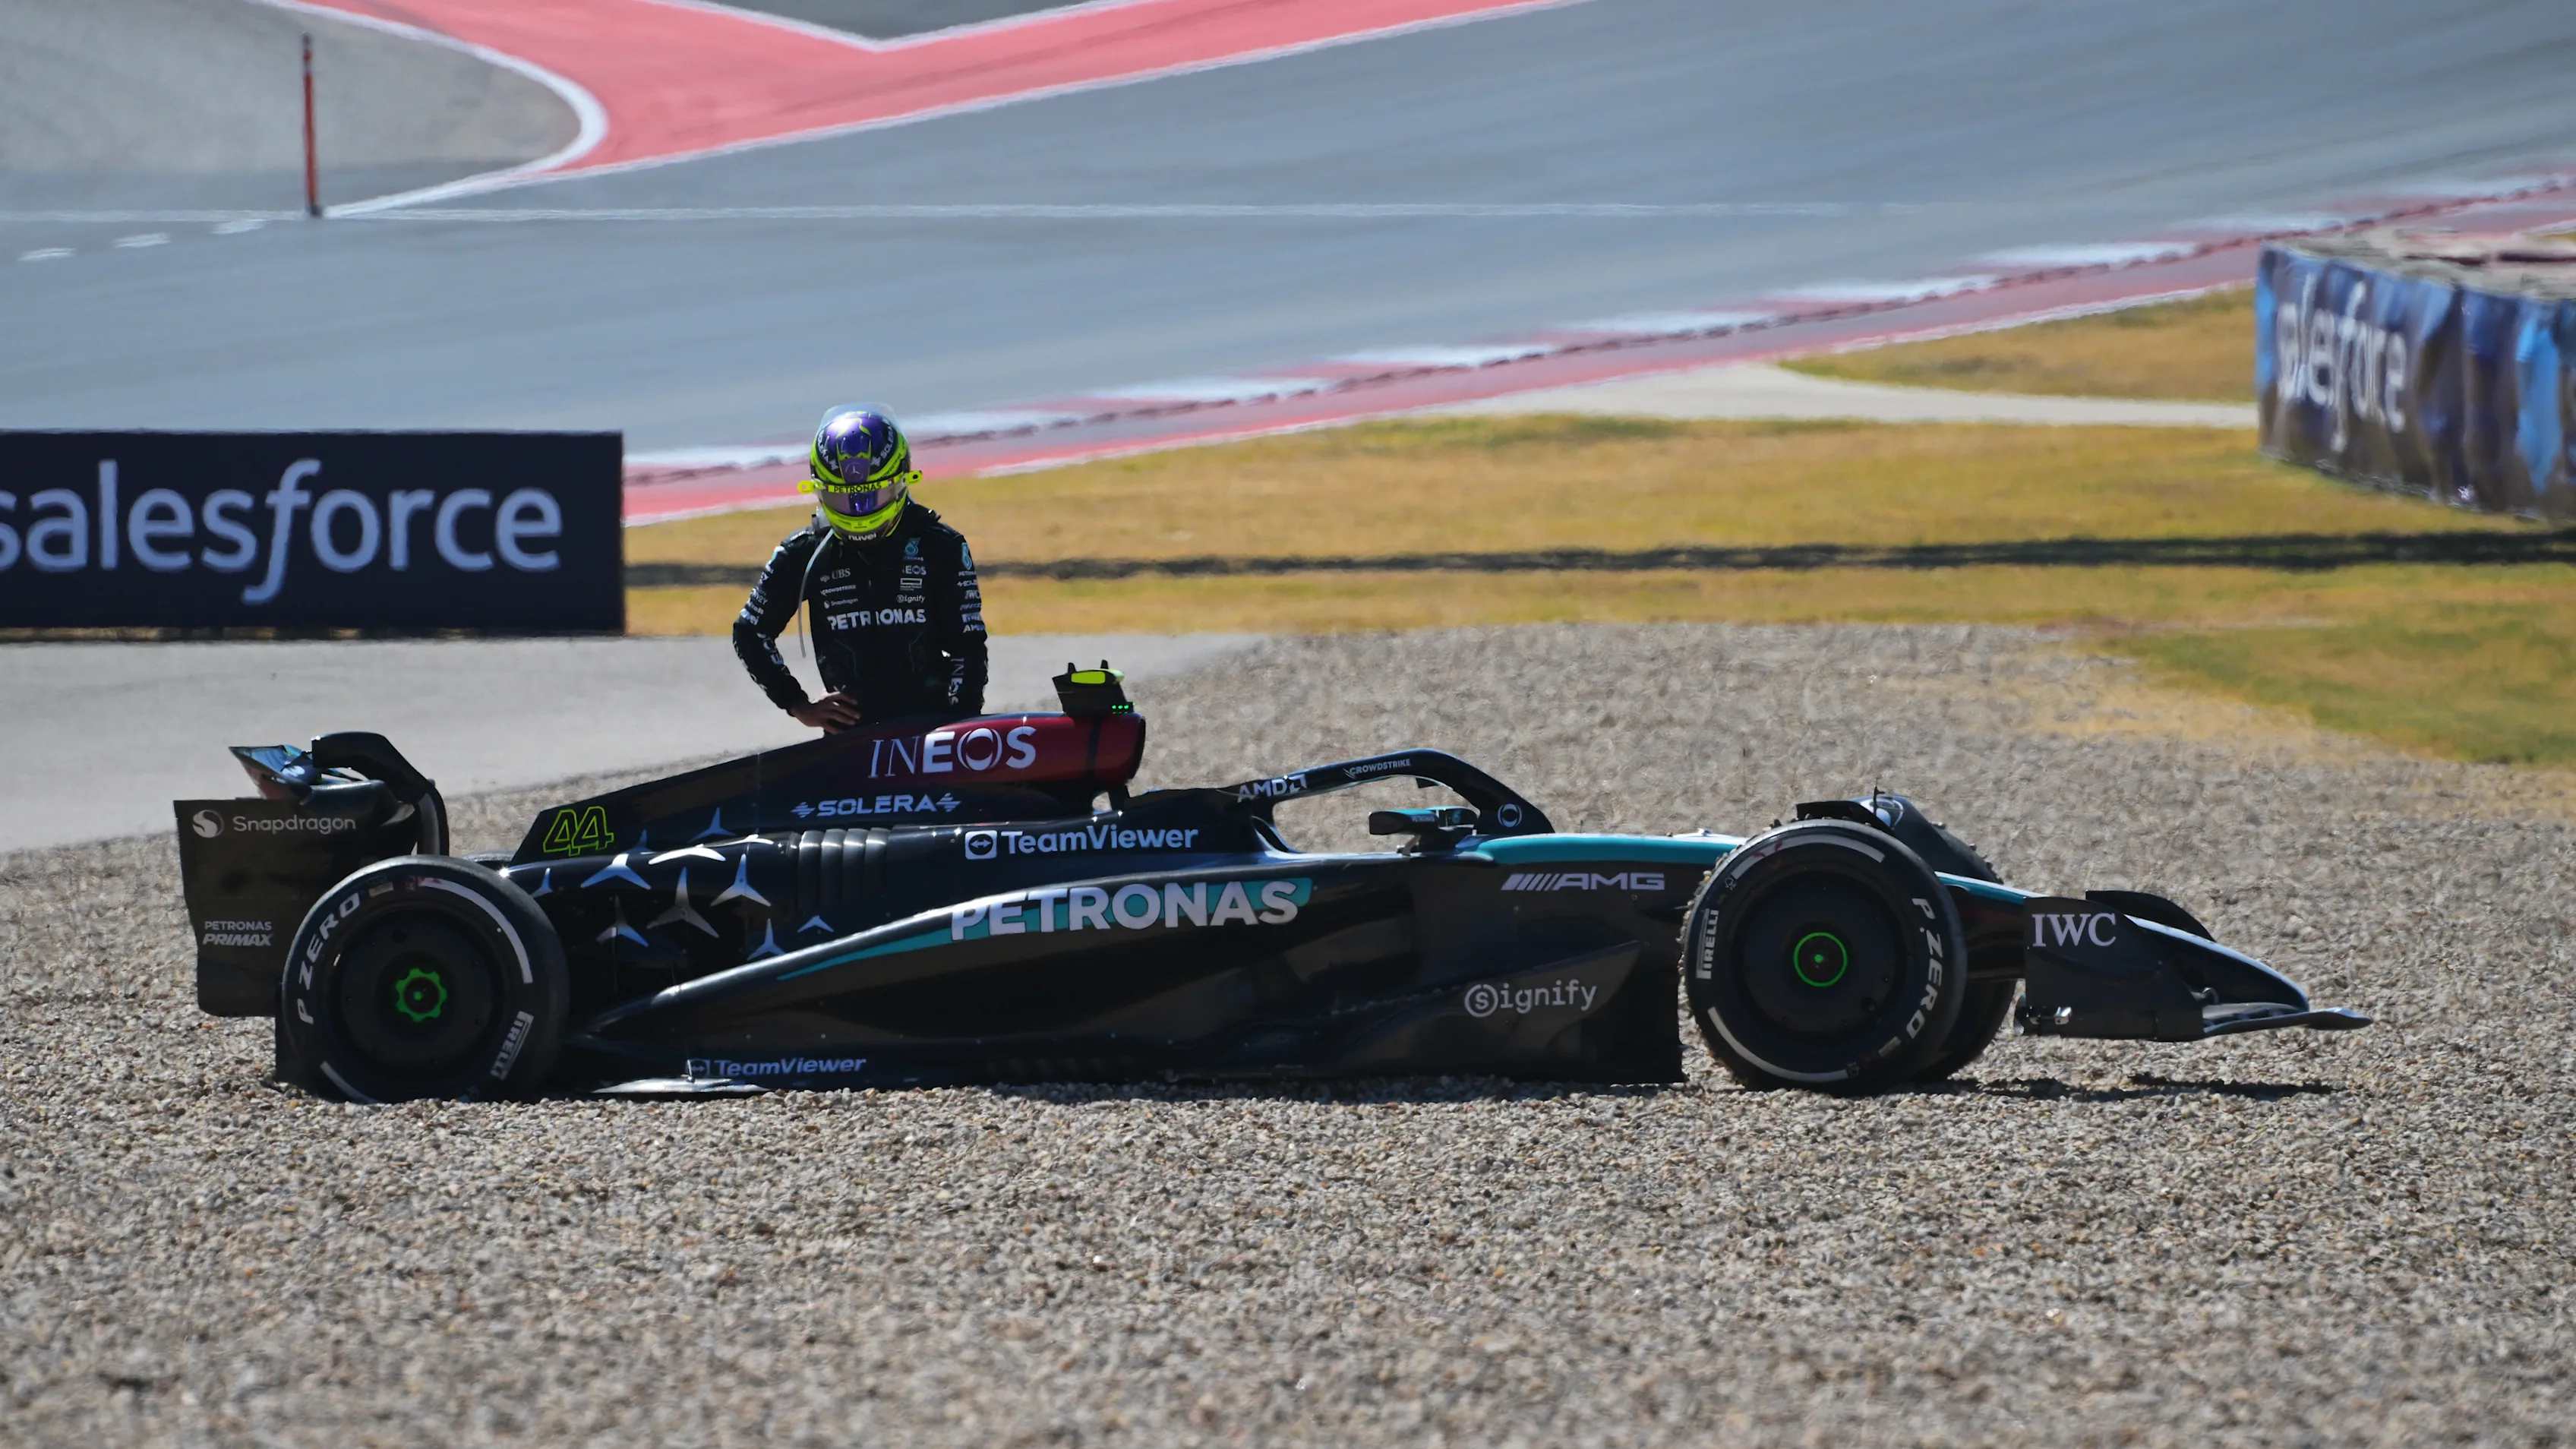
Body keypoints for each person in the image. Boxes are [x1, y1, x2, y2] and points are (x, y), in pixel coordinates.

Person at [733, 406, 987, 731]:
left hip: (930, 732)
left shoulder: (941, 545)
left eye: (870, 495)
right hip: (850, 746)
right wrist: (796, 703)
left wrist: (959, 726)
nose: (858, 511)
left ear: (901, 481)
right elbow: (750, 631)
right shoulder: (803, 551)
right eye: (843, 498)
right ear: (819, 489)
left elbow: (968, 646)